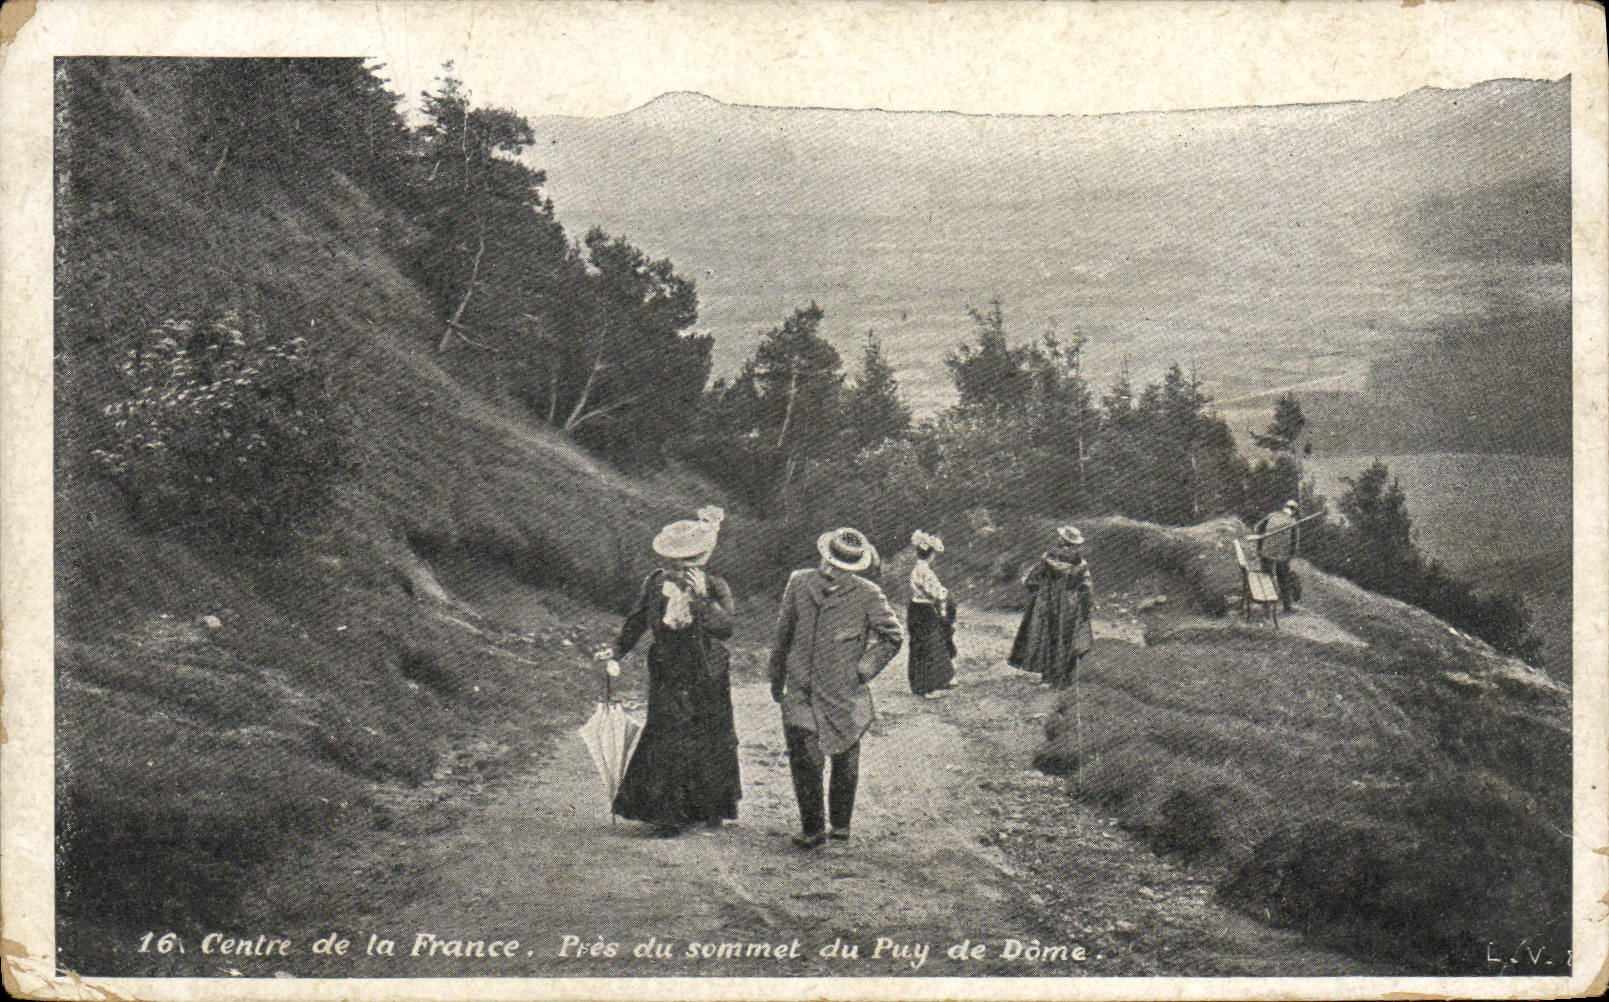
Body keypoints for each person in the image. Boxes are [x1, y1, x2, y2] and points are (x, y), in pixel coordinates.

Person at [598, 506, 739, 837]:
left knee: (707, 733)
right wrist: (618, 650)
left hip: (706, 669)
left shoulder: (714, 586)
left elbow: (725, 628)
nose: (681, 568)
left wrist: (701, 599)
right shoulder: (656, 583)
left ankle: (707, 808)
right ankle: (670, 814)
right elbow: (638, 620)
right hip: (671, 667)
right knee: (670, 734)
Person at [769, 527, 904, 849]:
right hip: (800, 687)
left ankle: (841, 823)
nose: (830, 570)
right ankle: (813, 828)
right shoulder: (799, 583)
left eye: (839, 567)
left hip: (844, 692)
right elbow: (783, 632)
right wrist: (777, 677)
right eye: (828, 562)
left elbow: (892, 636)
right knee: (804, 754)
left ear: (853, 568)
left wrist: (864, 668)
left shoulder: (868, 594)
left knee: (845, 757)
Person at [1007, 525, 1094, 689]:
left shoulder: (1048, 559)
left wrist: (1037, 591)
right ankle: (1063, 678)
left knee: (1047, 637)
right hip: (1070, 605)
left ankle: (1047, 676)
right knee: (1067, 637)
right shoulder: (1080, 563)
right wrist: (1087, 606)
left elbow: (1032, 578)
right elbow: (1086, 587)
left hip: (1047, 602)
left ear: (1061, 541)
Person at [906, 530, 956, 698]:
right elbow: (936, 592)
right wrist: (945, 594)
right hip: (924, 610)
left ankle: (935, 681)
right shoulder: (926, 572)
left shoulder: (917, 569)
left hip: (915, 608)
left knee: (923, 644)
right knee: (930, 644)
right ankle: (928, 687)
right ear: (931, 554)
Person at [1254, 499, 1302, 612]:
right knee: (1283, 579)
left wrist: (1262, 544)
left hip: (1266, 552)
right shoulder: (1293, 522)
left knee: (1266, 576)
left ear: (1284, 508)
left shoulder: (1272, 516)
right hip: (1282, 555)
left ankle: (1265, 605)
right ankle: (1287, 606)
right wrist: (1290, 556)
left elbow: (1257, 528)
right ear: (1294, 511)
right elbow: (1295, 544)